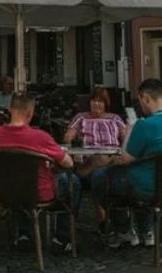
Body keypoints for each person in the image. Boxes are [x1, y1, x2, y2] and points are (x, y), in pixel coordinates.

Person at [91, 78, 162, 248]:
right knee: (140, 174)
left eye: (140, 101)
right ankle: (147, 231)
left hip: (149, 187)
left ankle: (123, 230)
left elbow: (125, 158)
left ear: (145, 98)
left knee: (101, 177)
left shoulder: (145, 125)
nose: (141, 105)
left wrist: (130, 131)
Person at [0, 91, 81, 253]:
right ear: (31, 113)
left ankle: (23, 235)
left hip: (3, 193)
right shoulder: (40, 137)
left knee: (16, 178)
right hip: (38, 193)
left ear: (9, 109)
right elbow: (68, 163)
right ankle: (62, 238)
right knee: (73, 182)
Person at [64, 87, 128, 231]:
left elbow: (126, 139)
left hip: (111, 160)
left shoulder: (115, 119)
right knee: (97, 168)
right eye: (94, 100)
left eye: (100, 101)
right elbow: (68, 136)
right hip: (88, 158)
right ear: (89, 102)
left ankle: (103, 216)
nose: (96, 104)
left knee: (99, 165)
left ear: (106, 104)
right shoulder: (81, 117)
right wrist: (72, 145)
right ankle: (104, 217)